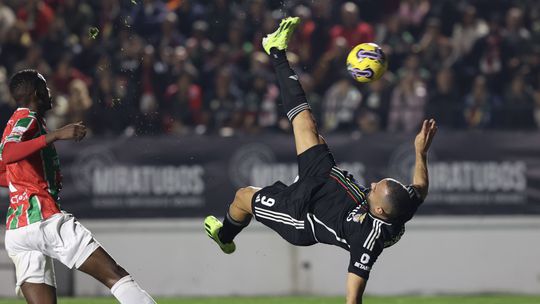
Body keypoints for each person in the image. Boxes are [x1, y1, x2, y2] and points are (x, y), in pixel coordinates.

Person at [204, 17, 437, 303]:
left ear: (379, 209)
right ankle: (276, 51)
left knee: (243, 197)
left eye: (376, 188)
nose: (373, 183)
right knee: (305, 122)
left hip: (302, 213)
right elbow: (421, 188)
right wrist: (420, 152)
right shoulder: (401, 204)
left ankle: (224, 236)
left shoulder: (369, 241)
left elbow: (353, 297)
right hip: (327, 178)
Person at [0, 69, 156, 304]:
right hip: (43, 219)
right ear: (36, 93)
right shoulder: (26, 118)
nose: (50, 91)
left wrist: (26, 181)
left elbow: (6, 168)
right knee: (115, 276)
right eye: (45, 86)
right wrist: (56, 135)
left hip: (18, 231)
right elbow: (10, 152)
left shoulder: (18, 121)